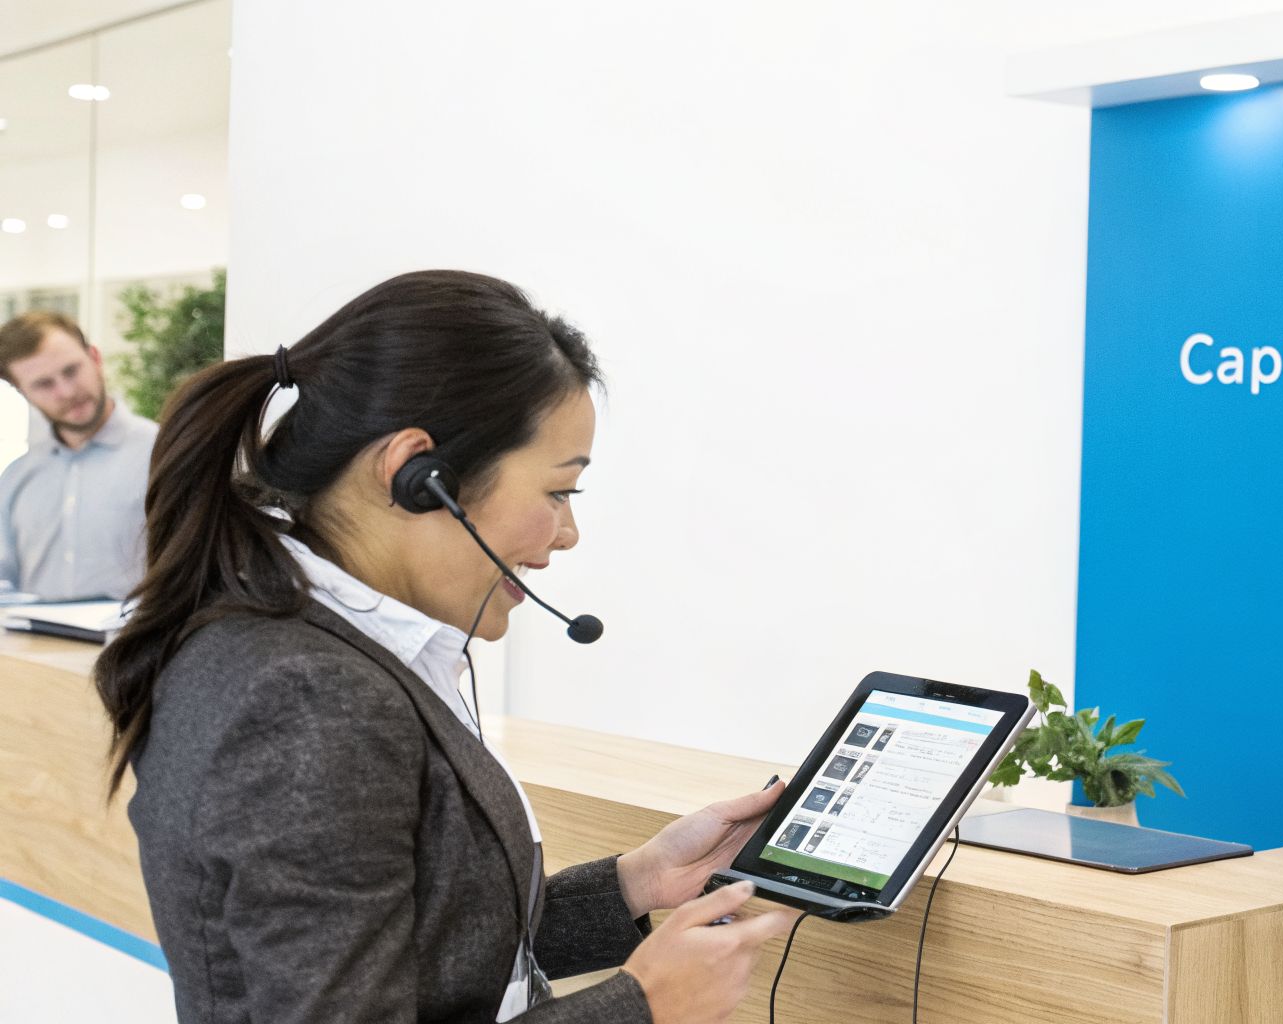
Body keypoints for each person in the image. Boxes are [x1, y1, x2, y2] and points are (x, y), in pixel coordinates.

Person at [93, 271, 795, 1023]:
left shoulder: (309, 645)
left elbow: (418, 959)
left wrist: (635, 884)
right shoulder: (305, 695)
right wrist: (643, 1006)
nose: (566, 535)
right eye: (560, 493)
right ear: (417, 476)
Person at [0, 310, 158, 600]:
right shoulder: (15, 478)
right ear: (22, 392)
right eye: (43, 384)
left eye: (71, 371)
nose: (66, 391)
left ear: (95, 358)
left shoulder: (163, 453)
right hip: (33, 644)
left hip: (139, 642)